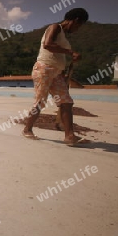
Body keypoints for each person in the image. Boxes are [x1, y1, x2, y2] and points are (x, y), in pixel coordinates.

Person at [22, 8, 89, 145]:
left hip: (57, 73)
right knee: (40, 102)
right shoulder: (55, 27)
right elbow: (48, 44)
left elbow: (58, 55)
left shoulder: (63, 36)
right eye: (79, 25)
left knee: (66, 102)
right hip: (44, 69)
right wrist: (70, 52)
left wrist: (63, 69)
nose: (77, 29)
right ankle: (27, 129)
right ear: (75, 20)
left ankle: (70, 136)